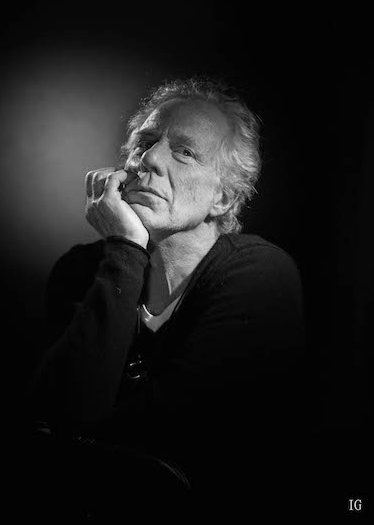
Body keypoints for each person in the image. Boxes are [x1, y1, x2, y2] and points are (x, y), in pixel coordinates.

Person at [28, 77, 305, 515]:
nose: (149, 160)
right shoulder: (79, 271)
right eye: (145, 143)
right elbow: (58, 414)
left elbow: (175, 444)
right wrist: (125, 249)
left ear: (223, 199)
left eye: (185, 152)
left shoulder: (261, 276)